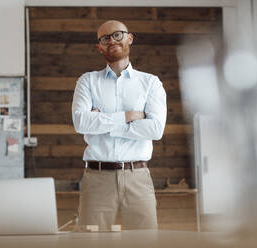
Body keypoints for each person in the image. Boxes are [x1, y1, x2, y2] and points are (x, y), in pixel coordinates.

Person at [72, 20, 167, 230]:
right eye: (105, 38)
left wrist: (103, 121)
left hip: (138, 177)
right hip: (97, 178)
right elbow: (81, 122)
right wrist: (129, 115)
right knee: (91, 244)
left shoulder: (150, 83)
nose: (111, 40)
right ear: (99, 47)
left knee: (145, 242)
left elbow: (155, 129)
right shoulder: (87, 81)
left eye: (117, 35)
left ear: (129, 38)